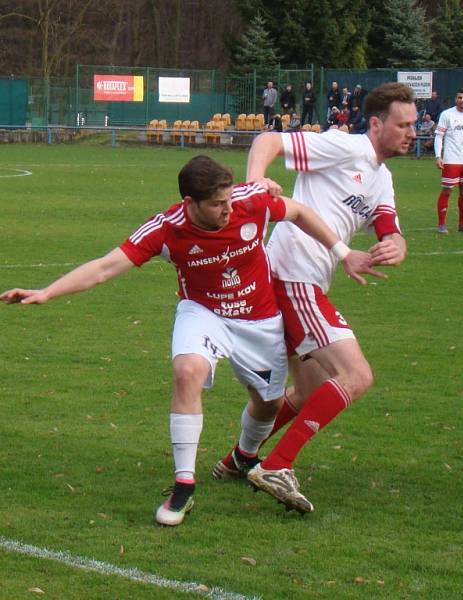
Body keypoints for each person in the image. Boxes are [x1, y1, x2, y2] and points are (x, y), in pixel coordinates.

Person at [0, 155, 373, 526]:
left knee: (269, 404)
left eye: (229, 201)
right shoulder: (166, 229)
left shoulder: (248, 202)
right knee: (187, 371)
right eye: (217, 204)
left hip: (259, 318)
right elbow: (104, 267)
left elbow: (299, 212)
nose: (228, 210)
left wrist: (341, 252)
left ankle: (244, 456)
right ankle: (183, 486)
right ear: (189, 204)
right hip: (203, 313)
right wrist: (48, 292)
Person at [216, 82, 418, 514]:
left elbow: (388, 226)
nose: (411, 132)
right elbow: (267, 139)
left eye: (414, 125)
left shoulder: (381, 178)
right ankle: (277, 464)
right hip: (294, 277)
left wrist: (396, 245)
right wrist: (253, 187)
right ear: (377, 123)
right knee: (356, 375)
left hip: (301, 282)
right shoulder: (345, 147)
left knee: (308, 392)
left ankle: (237, 460)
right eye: (403, 125)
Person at [434, 89, 463, 234]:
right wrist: (438, 156)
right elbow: (439, 136)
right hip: (451, 159)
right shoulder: (447, 114)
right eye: (459, 97)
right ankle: (441, 225)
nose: (462, 100)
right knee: (447, 190)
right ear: (456, 99)